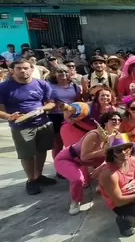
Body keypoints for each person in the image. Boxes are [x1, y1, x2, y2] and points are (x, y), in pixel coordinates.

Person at [0, 59, 58, 195]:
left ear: (32, 69)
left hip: (42, 123)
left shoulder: (41, 84)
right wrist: (9, 117)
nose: (23, 71)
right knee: (27, 155)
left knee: (42, 150)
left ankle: (39, 176)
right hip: (21, 126)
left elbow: (51, 103)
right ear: (12, 70)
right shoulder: (4, 87)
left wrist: (42, 109)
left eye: (26, 68)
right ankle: (31, 180)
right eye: (19, 68)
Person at [54, 111, 121, 215]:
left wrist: (101, 167)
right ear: (105, 122)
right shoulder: (94, 134)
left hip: (85, 161)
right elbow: (84, 157)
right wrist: (104, 151)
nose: (117, 121)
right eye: (113, 120)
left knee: (114, 162)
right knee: (78, 180)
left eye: (119, 120)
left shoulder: (114, 135)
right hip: (67, 159)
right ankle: (75, 202)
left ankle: (102, 185)